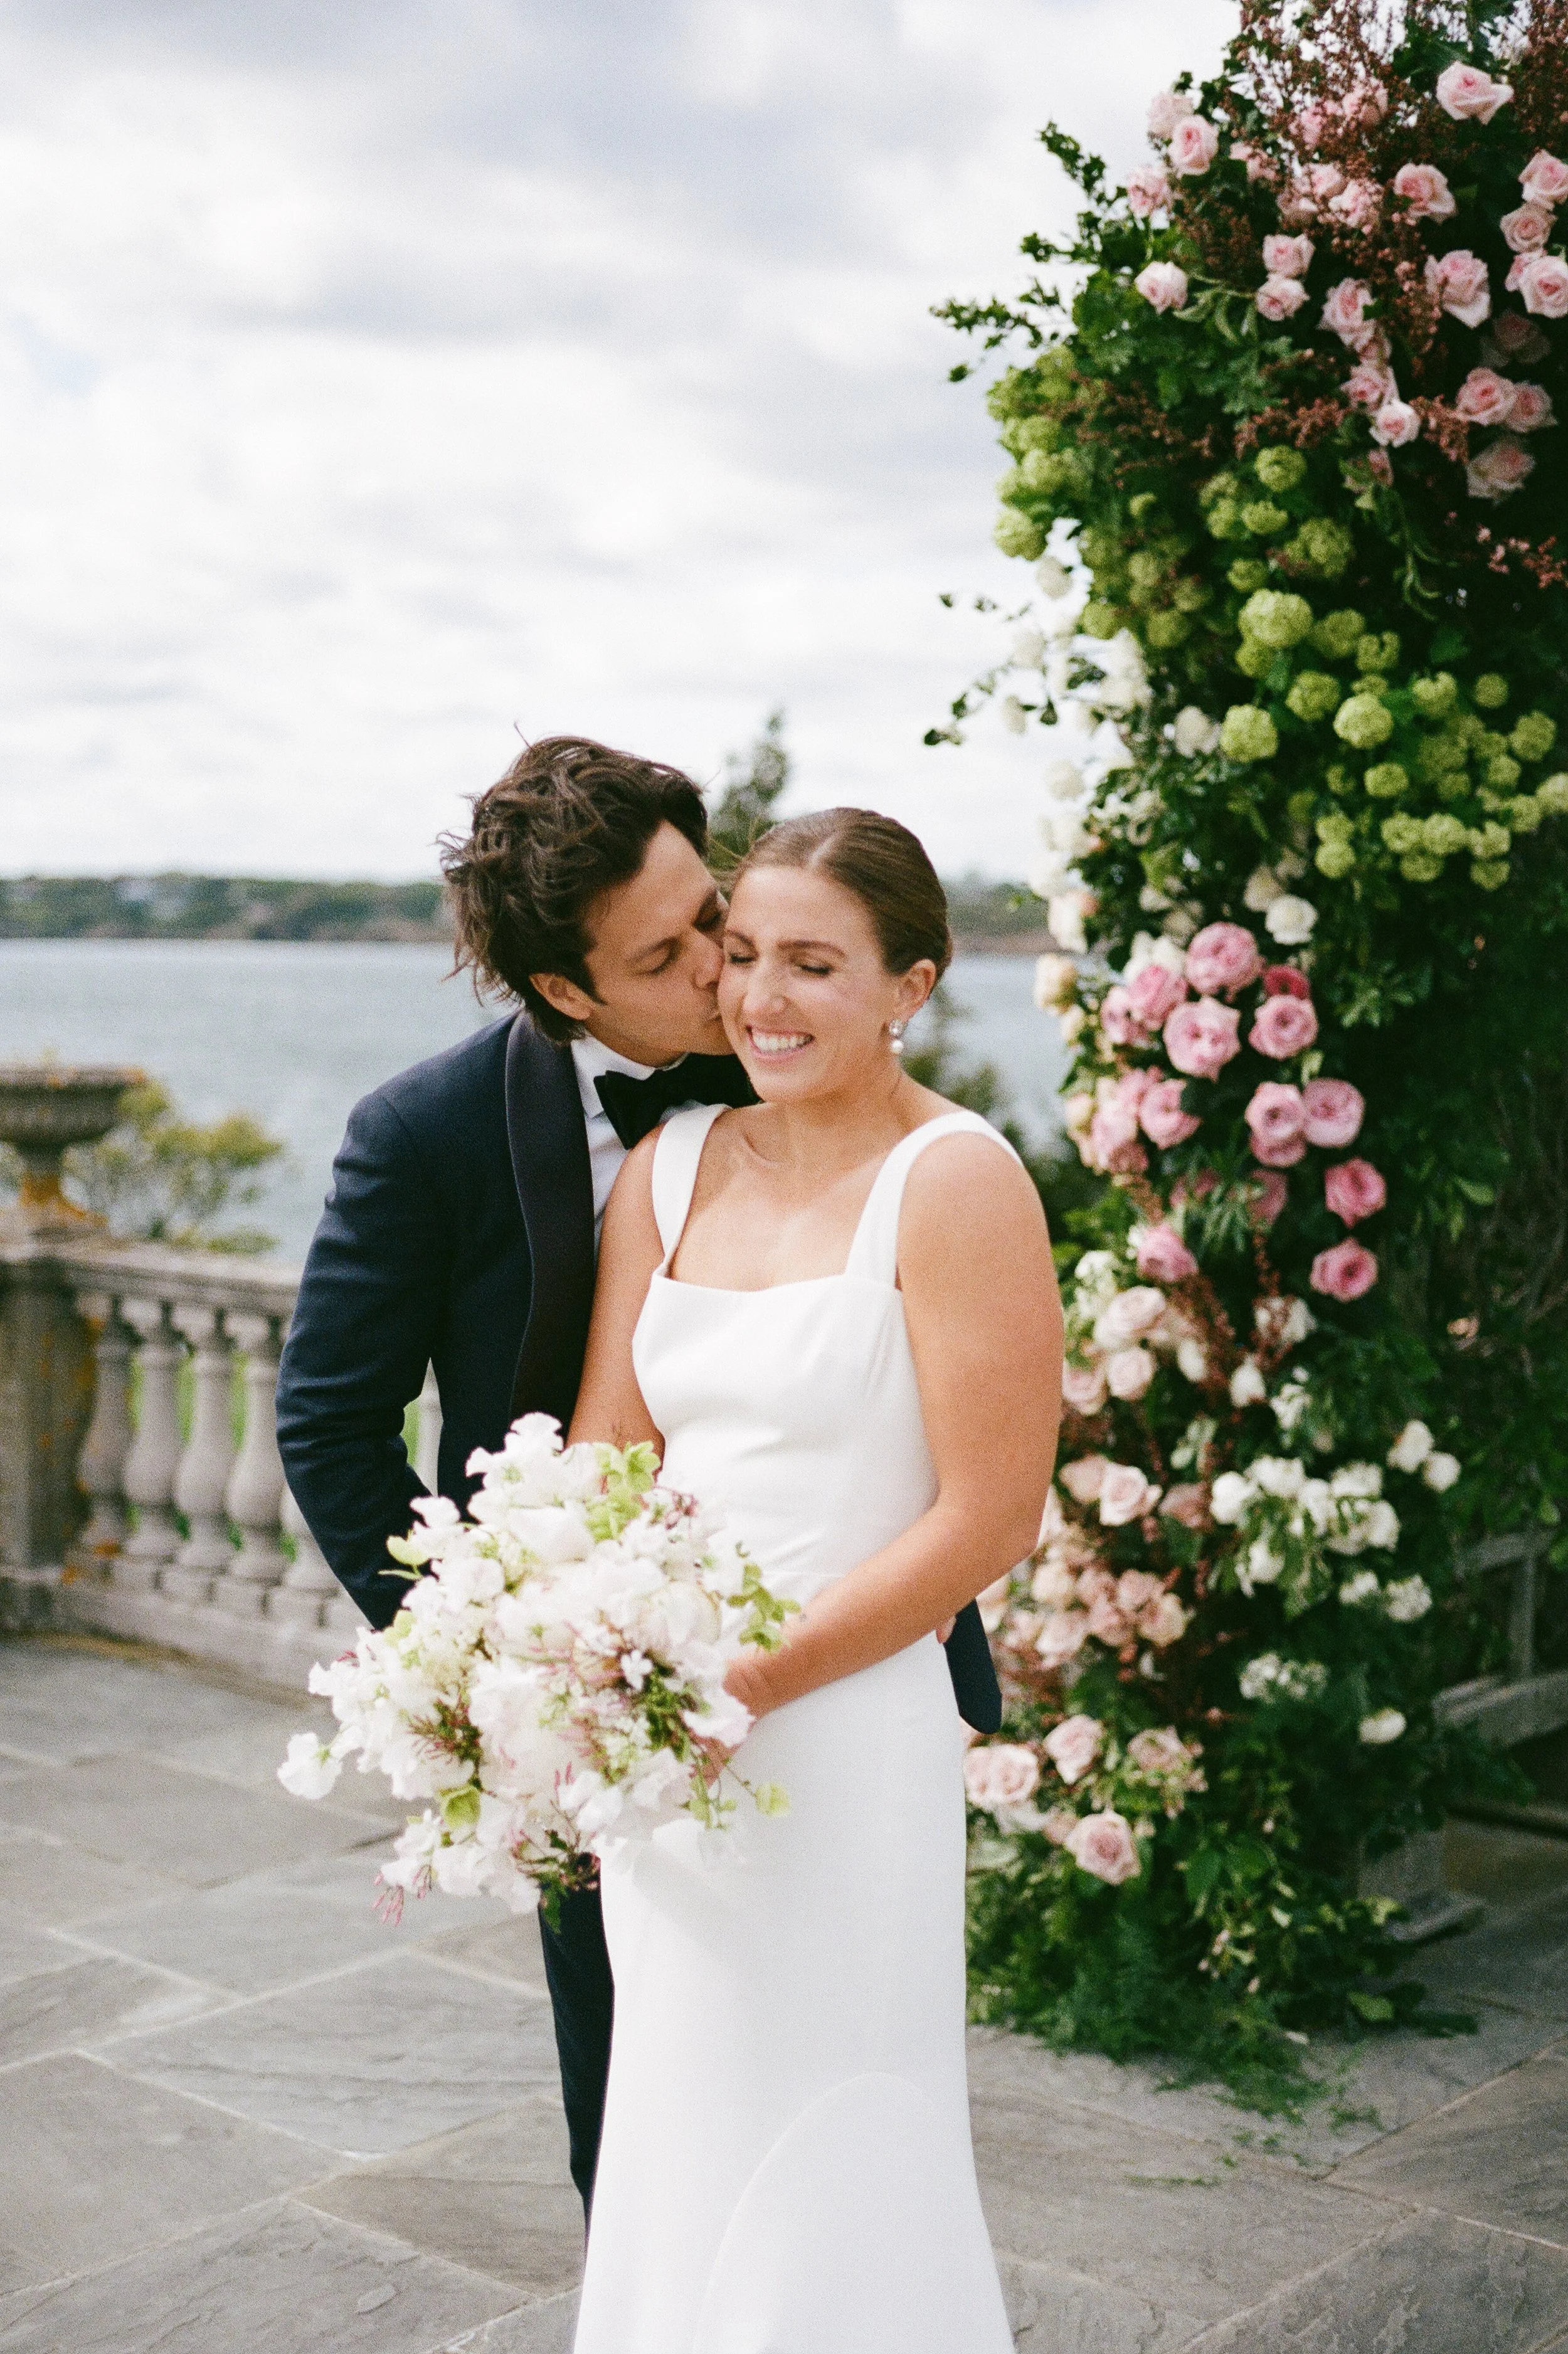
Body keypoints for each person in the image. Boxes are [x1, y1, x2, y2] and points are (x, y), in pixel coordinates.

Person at [273, 738, 1005, 2222]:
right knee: (639, 2111)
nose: (730, 978)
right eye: (673, 955)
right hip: (596, 1698)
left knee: (851, 2102)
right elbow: (329, 1425)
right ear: (566, 993)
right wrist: (496, 1676)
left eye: (717, 909)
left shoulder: (824, 1054)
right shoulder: (422, 1137)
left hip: (854, 1680)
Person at [567, 807, 1062, 2352]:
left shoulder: (956, 1179)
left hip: (840, 1737)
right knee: (674, 2113)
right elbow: (601, 1456)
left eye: (815, 964)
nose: (761, 998)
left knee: (842, 2122)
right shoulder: (668, 1164)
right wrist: (571, 1641)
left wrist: (755, 1678)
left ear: (908, 982)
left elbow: (988, 1517)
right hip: (666, 1741)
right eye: (745, 956)